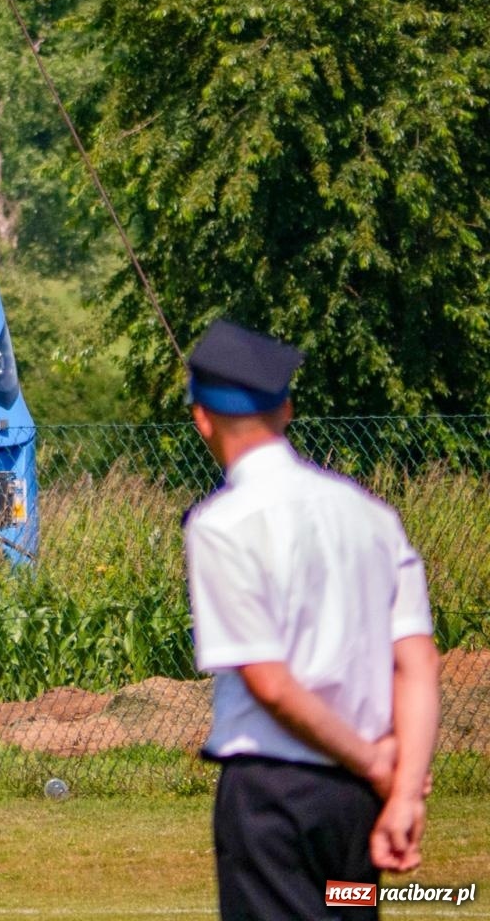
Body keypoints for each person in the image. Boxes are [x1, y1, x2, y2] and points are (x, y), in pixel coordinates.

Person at [182, 318, 440, 920]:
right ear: (287, 408)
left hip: (274, 797)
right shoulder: (372, 515)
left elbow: (270, 683)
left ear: (202, 419)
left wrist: (375, 762)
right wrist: (402, 789)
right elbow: (418, 663)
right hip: (356, 804)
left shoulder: (223, 524)